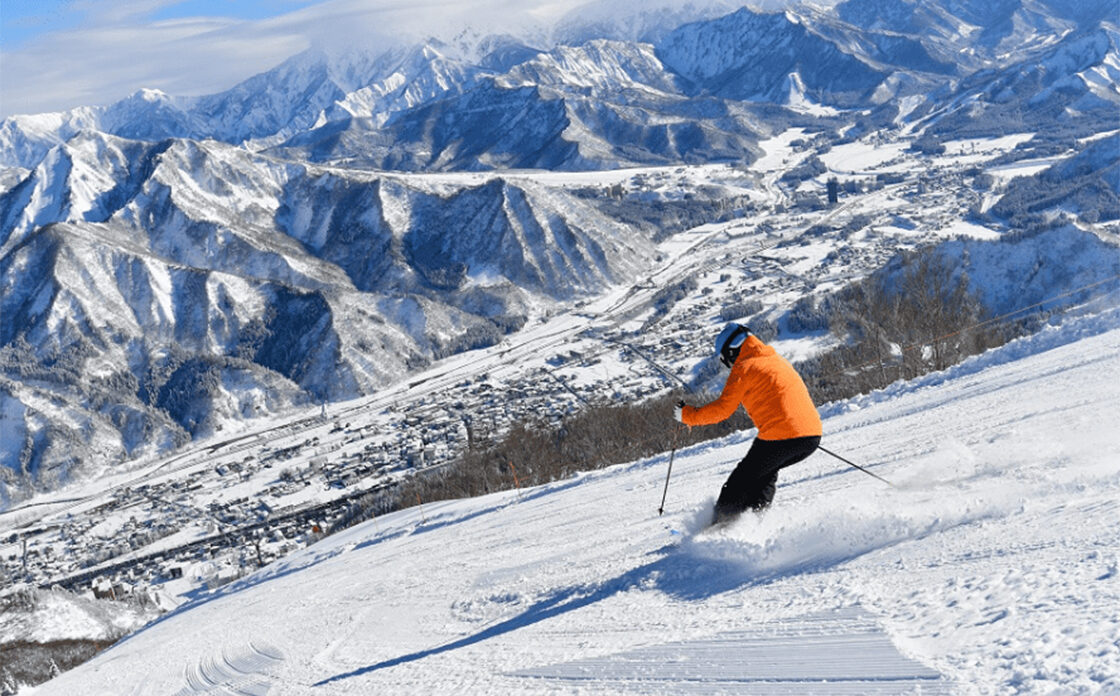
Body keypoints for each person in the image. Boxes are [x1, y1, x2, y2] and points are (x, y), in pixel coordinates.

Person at [674, 322, 822, 524]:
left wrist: (687, 415)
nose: (729, 366)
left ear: (732, 352)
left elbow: (722, 410)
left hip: (783, 436)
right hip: (811, 437)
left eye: (727, 360)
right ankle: (753, 524)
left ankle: (719, 528)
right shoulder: (776, 360)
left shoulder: (745, 367)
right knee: (764, 474)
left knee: (739, 482)